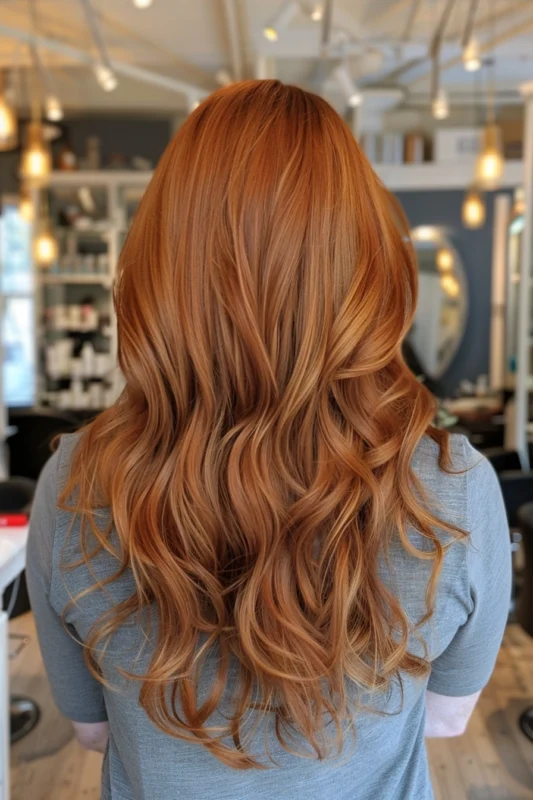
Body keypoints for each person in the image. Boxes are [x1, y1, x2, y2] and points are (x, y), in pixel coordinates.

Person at [27, 80, 511, 800]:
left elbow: (94, 730)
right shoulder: (453, 490)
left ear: (159, 264)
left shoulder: (71, 489)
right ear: (363, 261)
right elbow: (444, 719)